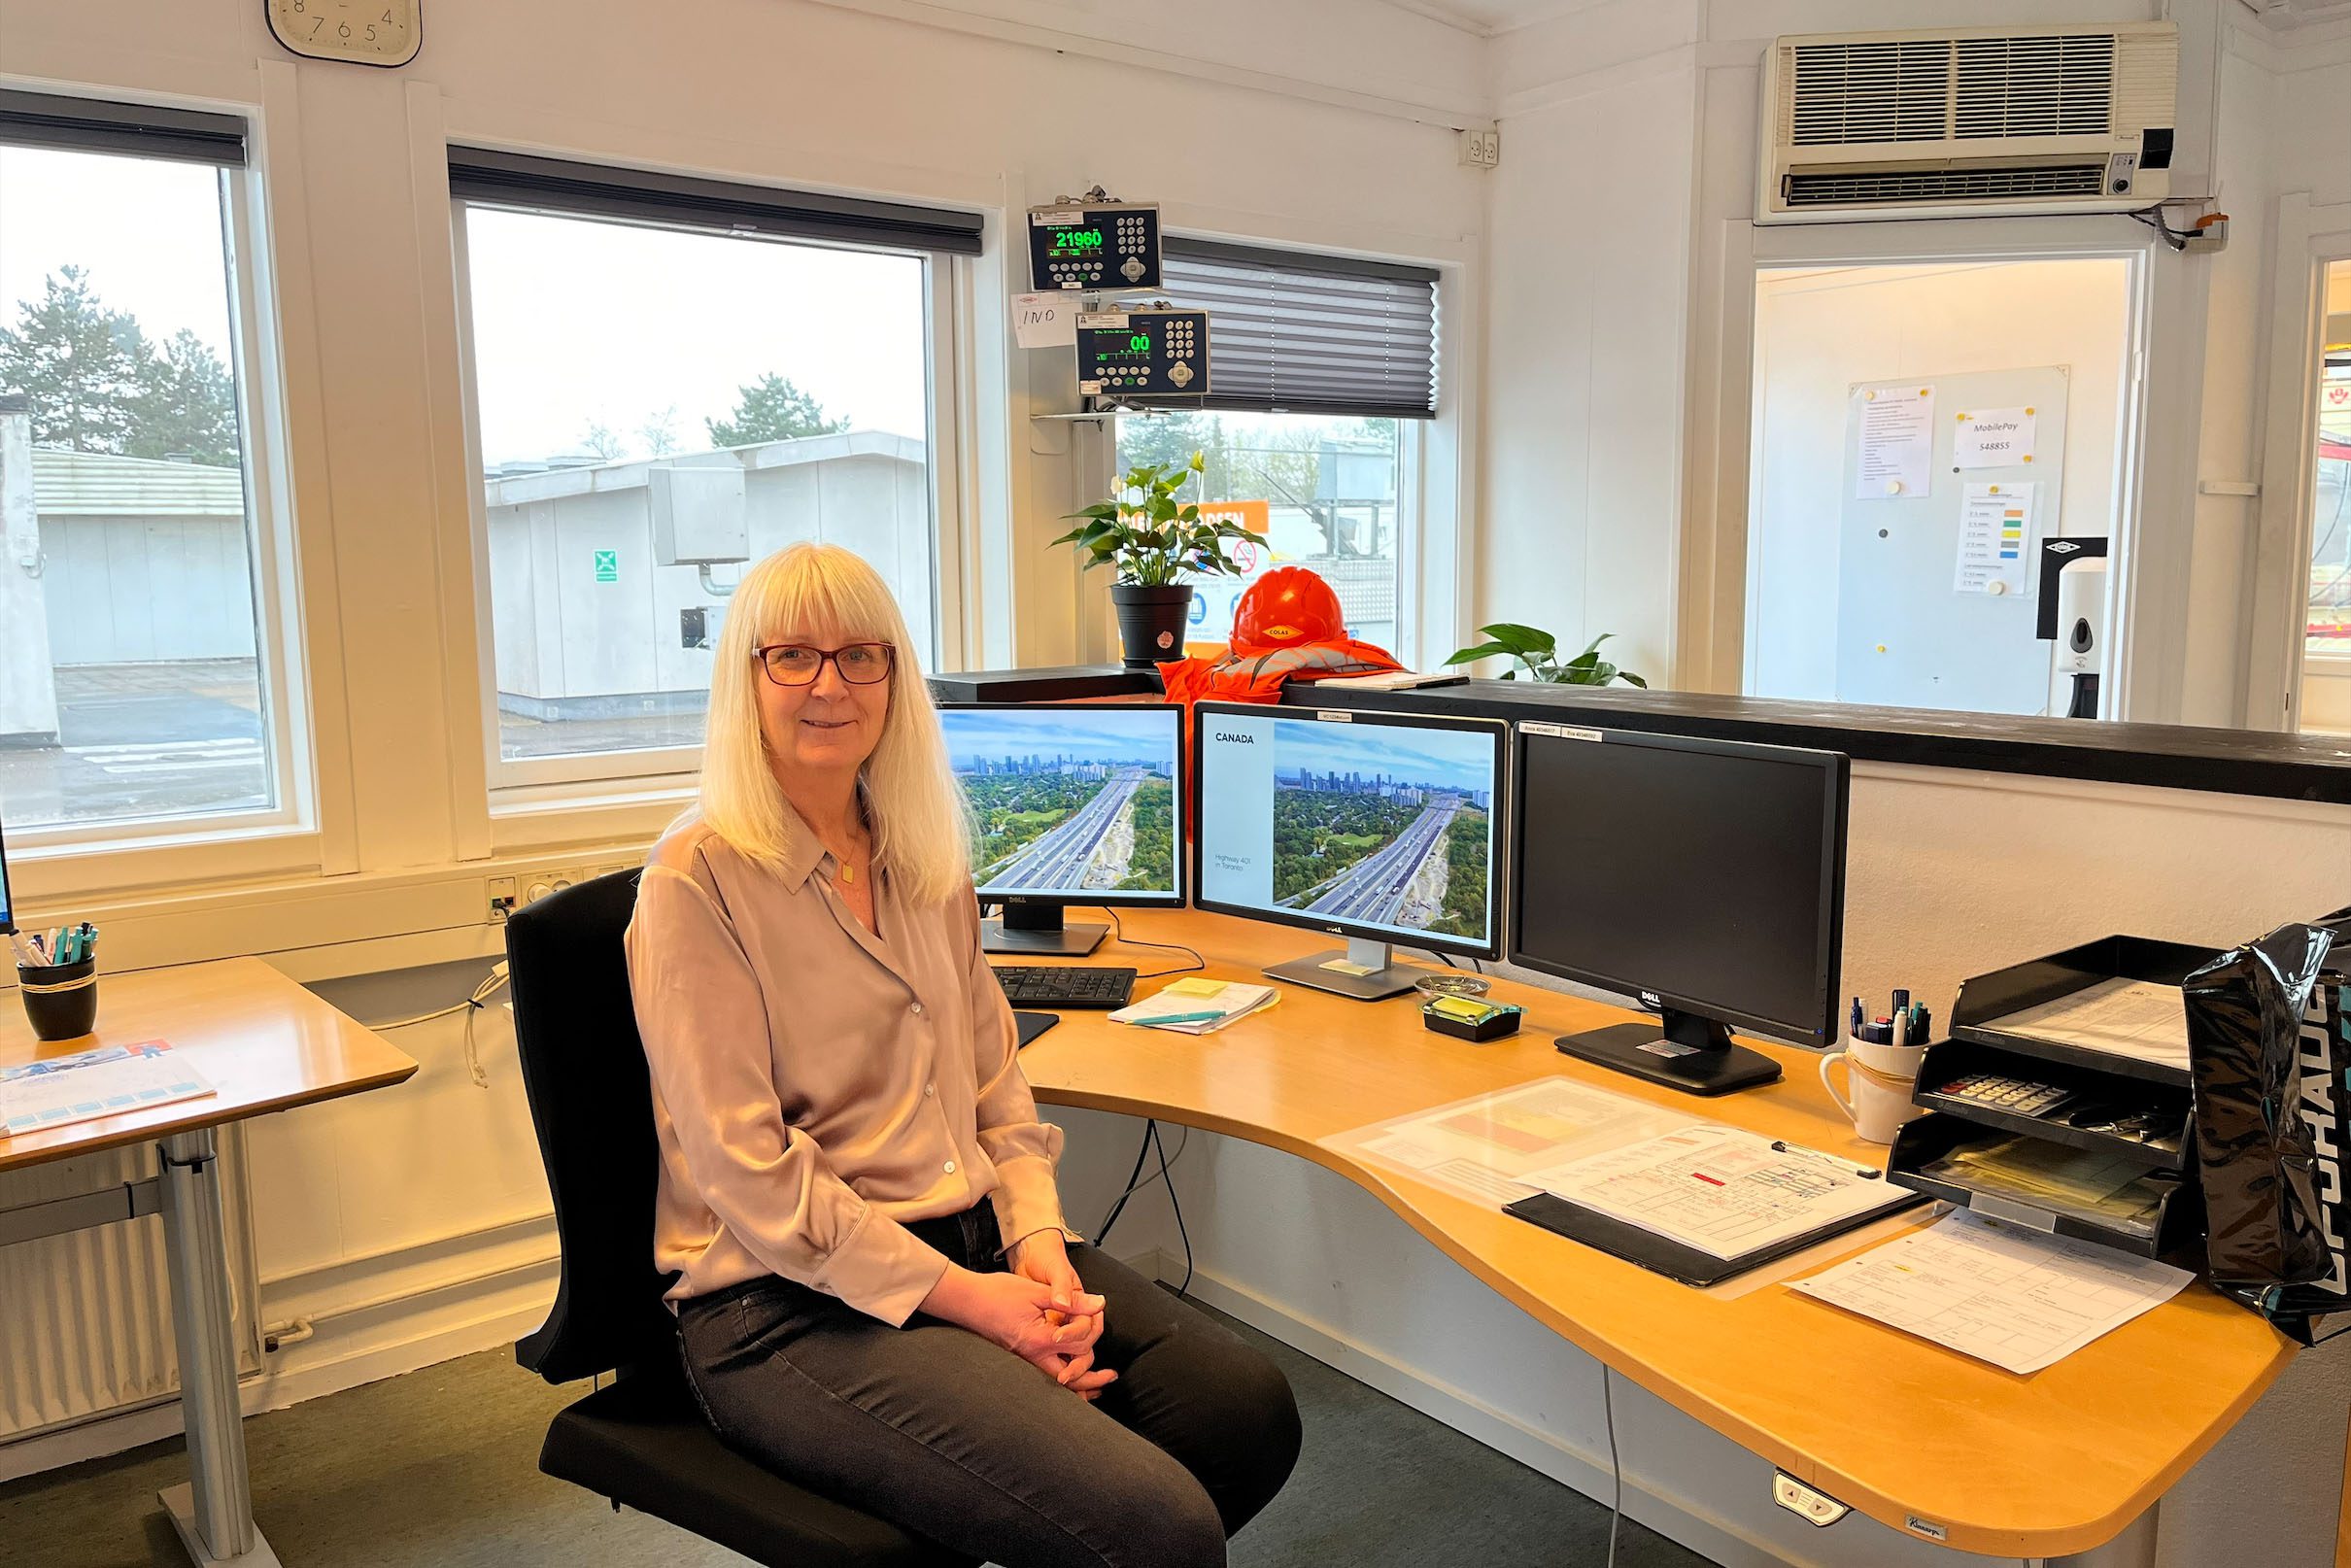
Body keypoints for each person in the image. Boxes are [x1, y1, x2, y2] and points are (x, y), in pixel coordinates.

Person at [626, 541, 1301, 1568]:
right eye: (791, 658)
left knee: (1241, 1414)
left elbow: (993, 1083)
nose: (828, 685)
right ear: (743, 679)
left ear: (894, 678)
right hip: (783, 1306)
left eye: (861, 656)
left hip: (972, 1241)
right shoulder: (695, 880)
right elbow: (747, 1174)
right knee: (1154, 1526)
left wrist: (1036, 1245)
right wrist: (984, 1311)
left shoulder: (920, 851)